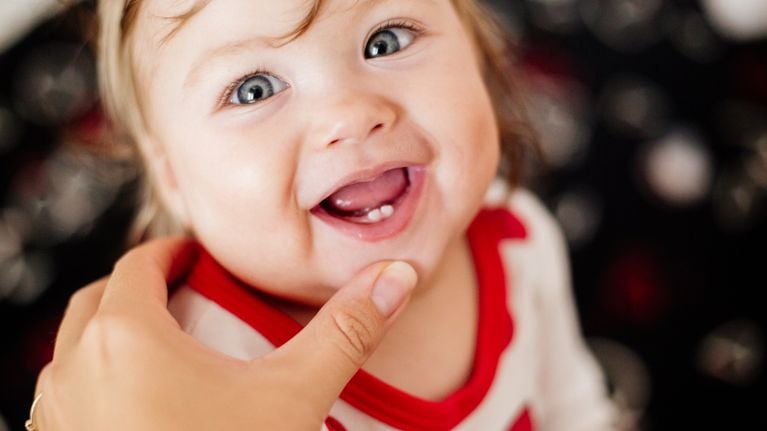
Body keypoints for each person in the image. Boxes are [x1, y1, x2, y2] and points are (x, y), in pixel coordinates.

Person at [32, 0, 616, 429]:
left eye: (385, 40)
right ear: (173, 177)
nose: (350, 114)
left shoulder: (519, 236)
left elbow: (573, 405)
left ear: (482, 57)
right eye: (254, 89)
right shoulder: (200, 364)